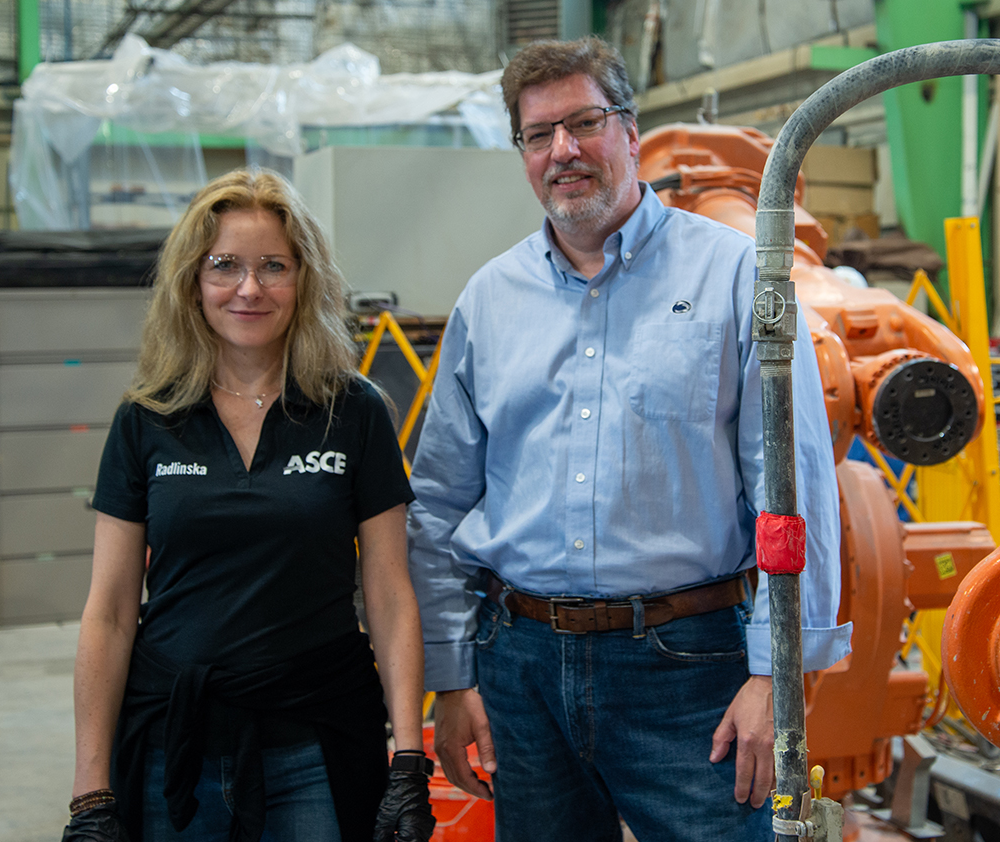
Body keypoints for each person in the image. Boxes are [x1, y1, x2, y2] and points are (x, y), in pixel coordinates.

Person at [407, 37, 850, 842]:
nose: (563, 151)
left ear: (632, 132)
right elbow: (439, 502)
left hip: (689, 673)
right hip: (520, 667)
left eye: (584, 123)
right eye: (539, 135)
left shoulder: (735, 275)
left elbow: (795, 488)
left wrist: (776, 677)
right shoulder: (489, 300)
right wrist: (452, 675)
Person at [64, 168, 435, 842]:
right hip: (172, 743)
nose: (249, 288)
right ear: (192, 281)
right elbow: (111, 612)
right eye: (225, 266)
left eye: (274, 266)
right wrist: (90, 791)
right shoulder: (147, 418)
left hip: (316, 742)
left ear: (304, 280)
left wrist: (408, 757)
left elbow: (387, 592)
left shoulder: (352, 412)